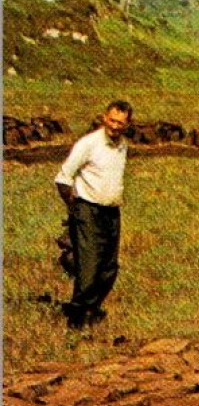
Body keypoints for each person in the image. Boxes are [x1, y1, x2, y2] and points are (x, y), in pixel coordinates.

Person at [54, 101, 133, 329]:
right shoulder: (88, 144)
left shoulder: (123, 146)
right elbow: (63, 178)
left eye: (120, 122)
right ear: (104, 118)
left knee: (109, 269)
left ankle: (92, 309)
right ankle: (77, 320)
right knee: (88, 267)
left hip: (111, 212)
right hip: (87, 209)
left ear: (127, 124)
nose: (115, 126)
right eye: (112, 120)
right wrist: (74, 207)